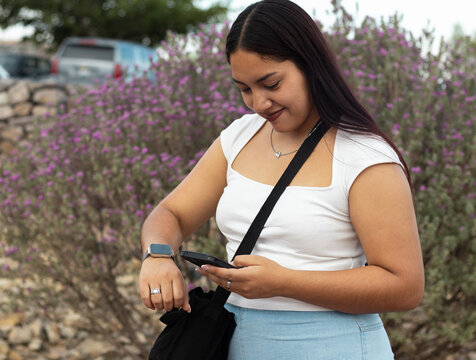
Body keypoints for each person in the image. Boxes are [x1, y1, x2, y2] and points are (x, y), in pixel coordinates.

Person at [139, 0, 425, 358]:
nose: (258, 103)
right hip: (231, 341)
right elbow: (171, 213)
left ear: (310, 65)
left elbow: (405, 286)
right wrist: (158, 255)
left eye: (270, 83)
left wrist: (284, 283)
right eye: (244, 88)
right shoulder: (239, 136)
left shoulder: (364, 157)